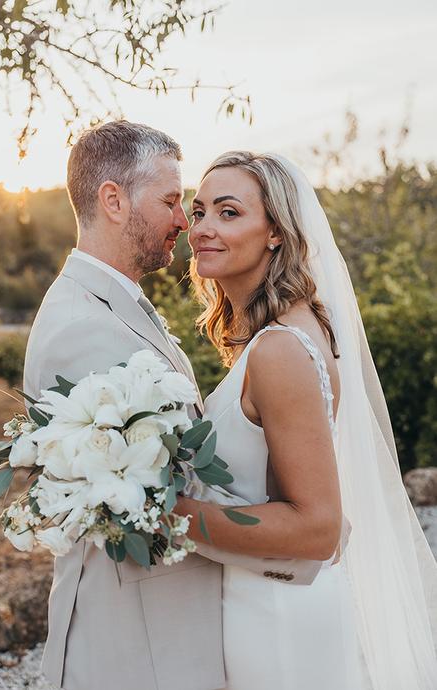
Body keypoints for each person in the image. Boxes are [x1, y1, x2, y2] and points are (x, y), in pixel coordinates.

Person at [23, 122, 317, 690]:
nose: (185, 221)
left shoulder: (113, 304)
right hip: (133, 642)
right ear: (114, 200)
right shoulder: (82, 327)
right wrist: (299, 534)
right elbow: (144, 500)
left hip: (164, 627)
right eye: (172, 200)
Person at [174, 151, 437, 690]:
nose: (202, 229)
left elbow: (318, 528)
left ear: (276, 232)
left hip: (280, 615)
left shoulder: (279, 350)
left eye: (229, 213)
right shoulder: (287, 331)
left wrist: (165, 515)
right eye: (198, 212)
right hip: (264, 597)